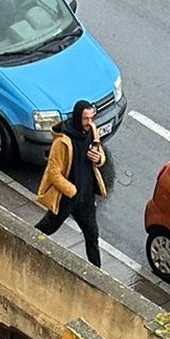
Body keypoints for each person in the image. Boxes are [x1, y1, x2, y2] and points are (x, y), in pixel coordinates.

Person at [34, 101, 106, 267]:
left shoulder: (92, 131)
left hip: (86, 198)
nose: (90, 122)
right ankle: (27, 240)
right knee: (48, 227)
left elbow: (100, 153)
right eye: (86, 118)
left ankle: (97, 272)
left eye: (91, 118)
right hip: (67, 198)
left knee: (92, 235)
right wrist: (72, 191)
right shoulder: (62, 142)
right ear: (77, 117)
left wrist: (99, 159)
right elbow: (53, 173)